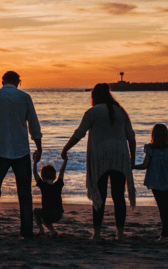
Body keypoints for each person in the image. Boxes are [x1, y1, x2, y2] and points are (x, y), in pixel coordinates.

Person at [61, 83, 136, 241]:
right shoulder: (121, 111)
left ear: (94, 96)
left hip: (100, 158)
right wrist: (132, 159)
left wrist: (65, 148)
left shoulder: (92, 112)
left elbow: (79, 134)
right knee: (118, 197)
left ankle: (96, 234)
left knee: (99, 195)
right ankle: (120, 234)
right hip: (120, 156)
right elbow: (131, 136)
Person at [0, 71, 42, 239]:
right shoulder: (25, 97)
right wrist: (39, 145)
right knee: (25, 194)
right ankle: (27, 231)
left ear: (2, 81)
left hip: (0, 150)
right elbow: (33, 124)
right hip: (21, 150)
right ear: (18, 82)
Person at [133, 124, 168, 240]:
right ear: (166, 135)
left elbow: (144, 165)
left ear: (153, 135)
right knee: (166, 206)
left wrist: (132, 166)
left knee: (161, 206)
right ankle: (166, 232)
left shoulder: (150, 149)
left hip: (155, 181)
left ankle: (164, 234)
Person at [32, 159, 67, 239]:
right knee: (44, 216)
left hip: (47, 214)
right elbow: (62, 171)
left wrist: (35, 161)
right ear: (54, 176)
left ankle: (41, 230)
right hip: (58, 214)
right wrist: (65, 160)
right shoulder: (58, 184)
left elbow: (34, 173)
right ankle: (52, 231)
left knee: (35, 212)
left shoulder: (43, 185)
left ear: (42, 177)